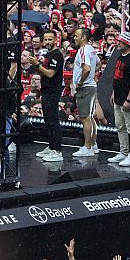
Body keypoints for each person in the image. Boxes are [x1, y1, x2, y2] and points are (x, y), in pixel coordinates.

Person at [27, 29, 66, 163]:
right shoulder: (48, 54)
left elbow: (50, 74)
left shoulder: (57, 55)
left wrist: (36, 64)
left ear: (56, 40)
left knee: (53, 121)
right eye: (46, 39)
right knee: (48, 120)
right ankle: (51, 146)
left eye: (50, 39)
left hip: (53, 91)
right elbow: (44, 73)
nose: (48, 42)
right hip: (46, 90)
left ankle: (57, 151)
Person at [110, 33, 130, 167]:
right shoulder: (120, 56)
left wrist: (129, 100)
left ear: (127, 43)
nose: (118, 43)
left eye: (120, 41)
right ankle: (123, 152)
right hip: (118, 97)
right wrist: (114, 93)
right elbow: (118, 78)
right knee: (120, 126)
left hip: (128, 99)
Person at [68, 27, 101, 159]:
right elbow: (97, 64)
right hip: (91, 86)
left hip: (85, 88)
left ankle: (87, 147)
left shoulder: (83, 50)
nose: (74, 38)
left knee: (85, 118)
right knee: (90, 117)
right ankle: (93, 145)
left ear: (83, 37)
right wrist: (92, 76)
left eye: (76, 36)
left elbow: (86, 68)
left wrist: (81, 82)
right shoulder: (91, 49)